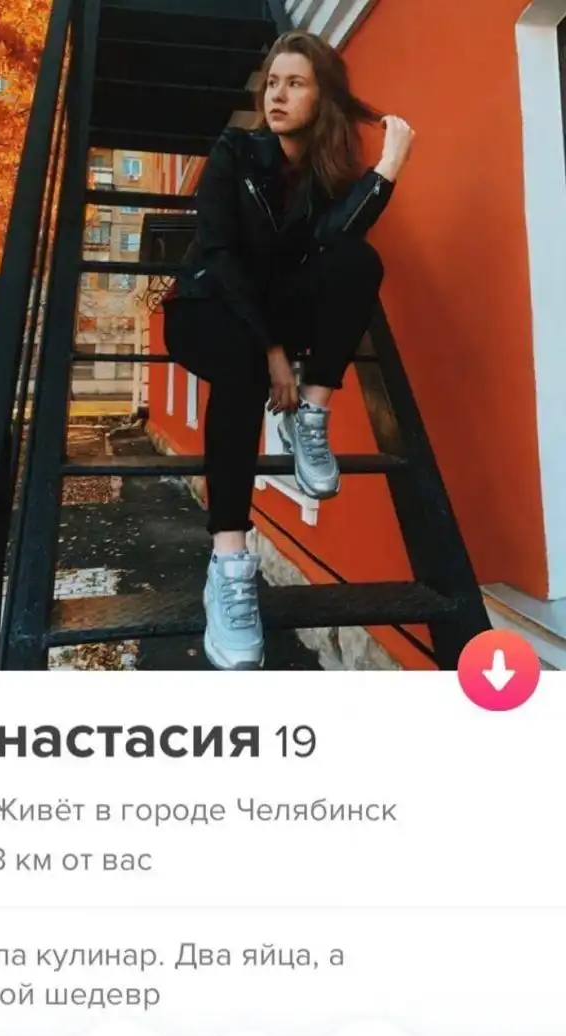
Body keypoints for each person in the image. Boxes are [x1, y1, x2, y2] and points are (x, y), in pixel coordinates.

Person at [163, 29, 415, 671]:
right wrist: (274, 349)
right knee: (245, 366)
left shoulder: (326, 177)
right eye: (272, 82)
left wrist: (386, 170)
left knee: (360, 262)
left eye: (294, 83)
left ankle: (312, 414)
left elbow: (336, 246)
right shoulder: (235, 151)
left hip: (270, 318)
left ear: (321, 96)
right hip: (204, 308)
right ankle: (229, 564)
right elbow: (219, 256)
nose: (276, 94)